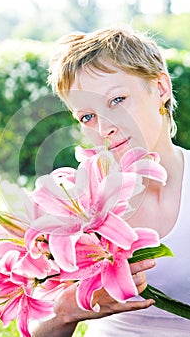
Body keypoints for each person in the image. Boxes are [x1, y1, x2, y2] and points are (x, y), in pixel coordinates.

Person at [30, 27, 190, 336]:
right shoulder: (73, 205)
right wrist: (68, 310)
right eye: (87, 116)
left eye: (117, 100)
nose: (105, 127)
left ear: (160, 88)